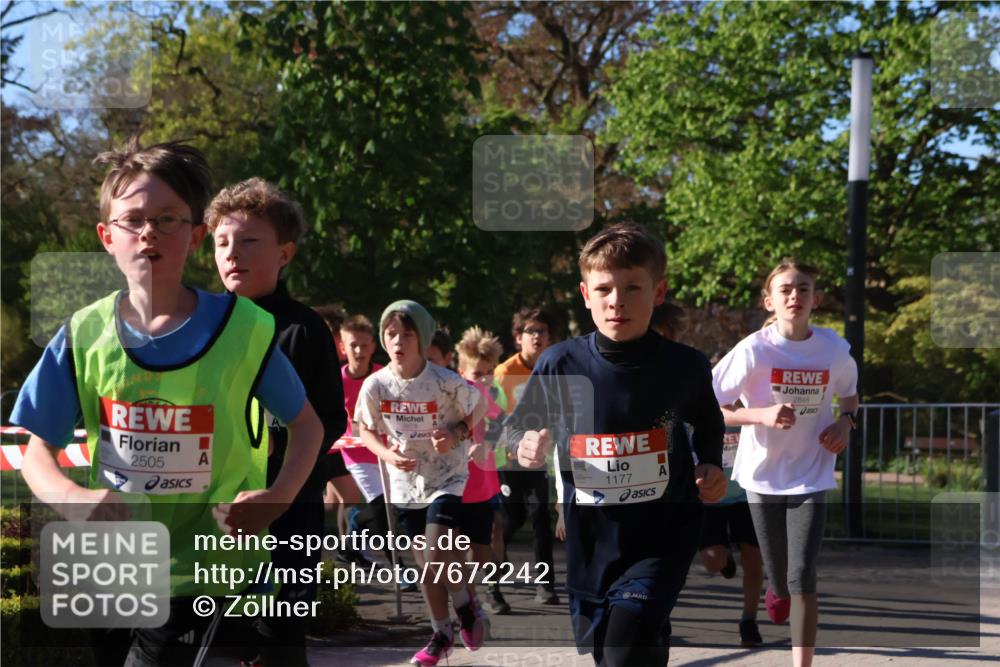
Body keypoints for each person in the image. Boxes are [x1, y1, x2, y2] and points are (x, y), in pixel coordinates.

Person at [14, 136, 323, 666]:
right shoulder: (82, 333)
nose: (149, 232)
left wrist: (280, 495)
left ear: (197, 235)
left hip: (209, 569)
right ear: (107, 237)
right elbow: (36, 448)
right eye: (132, 219)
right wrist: (72, 498)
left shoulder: (244, 329)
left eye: (168, 219)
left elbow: (308, 428)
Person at [512, 223, 726, 666]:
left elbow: (707, 420)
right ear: (586, 294)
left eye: (632, 287)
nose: (617, 301)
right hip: (592, 539)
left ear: (659, 291)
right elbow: (518, 428)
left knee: (623, 648)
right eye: (604, 288)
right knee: (617, 649)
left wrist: (710, 464)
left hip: (664, 532)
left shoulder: (684, 365)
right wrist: (524, 446)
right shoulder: (560, 363)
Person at [209, 177, 348, 666]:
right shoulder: (198, 325)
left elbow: (330, 418)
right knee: (214, 641)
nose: (233, 254)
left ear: (284, 253)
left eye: (249, 241)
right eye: (222, 242)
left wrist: (278, 454)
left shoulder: (302, 329)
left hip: (289, 511)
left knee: (279, 641)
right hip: (213, 514)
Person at [712, 259, 859, 667]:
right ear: (769, 301)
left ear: (816, 298)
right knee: (779, 575)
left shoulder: (833, 348)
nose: (795, 295)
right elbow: (713, 407)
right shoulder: (754, 349)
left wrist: (847, 423)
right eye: (786, 290)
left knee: (803, 575)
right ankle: (774, 591)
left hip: (812, 473)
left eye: (804, 288)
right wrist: (759, 415)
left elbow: (849, 396)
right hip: (762, 476)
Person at [355, 301, 488, 667]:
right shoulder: (377, 384)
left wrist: (456, 432)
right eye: (391, 334)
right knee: (426, 566)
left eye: (408, 334)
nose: (398, 342)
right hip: (405, 482)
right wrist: (386, 453)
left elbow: (479, 405)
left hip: (447, 477)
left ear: (423, 337)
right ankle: (441, 632)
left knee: (434, 550)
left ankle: (465, 605)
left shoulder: (445, 381)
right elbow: (364, 428)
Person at [650, 303, 763, 649]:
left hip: (745, 488)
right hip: (708, 491)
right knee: (713, 561)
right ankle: (725, 560)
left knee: (753, 554)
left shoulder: (745, 405)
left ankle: (748, 620)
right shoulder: (683, 393)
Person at [494, 306, 561, 604]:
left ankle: (545, 585)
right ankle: (490, 560)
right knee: (513, 517)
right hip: (509, 456)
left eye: (542, 331)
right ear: (518, 337)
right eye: (530, 331)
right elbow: (497, 418)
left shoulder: (555, 368)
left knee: (540, 517)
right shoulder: (505, 372)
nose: (537, 337)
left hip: (541, 456)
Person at [454, 326, 512, 616]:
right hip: (456, 480)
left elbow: (501, 420)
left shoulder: (493, 391)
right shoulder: (455, 390)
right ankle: (468, 598)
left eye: (488, 372)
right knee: (460, 542)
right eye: (477, 374)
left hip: (487, 475)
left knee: (492, 531)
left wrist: (487, 443)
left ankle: (493, 588)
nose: (484, 380)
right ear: (463, 371)